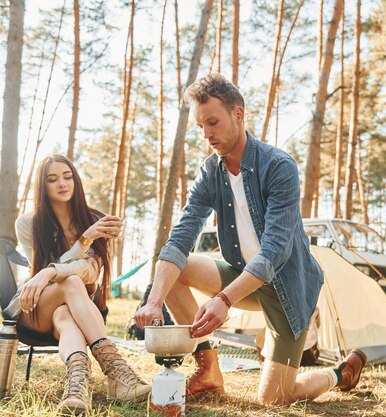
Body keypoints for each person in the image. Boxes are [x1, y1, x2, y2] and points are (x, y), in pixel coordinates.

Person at [134, 74, 367, 405]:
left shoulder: (279, 166)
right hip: (243, 277)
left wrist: (224, 300)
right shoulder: (209, 173)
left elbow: (274, 251)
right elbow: (182, 235)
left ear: (238, 114)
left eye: (213, 122)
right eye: (201, 126)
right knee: (173, 268)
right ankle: (209, 372)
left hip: (289, 290)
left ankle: (338, 374)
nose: (206, 134)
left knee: (275, 398)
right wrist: (155, 300)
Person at [3, 154, 150, 414]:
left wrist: (52, 270)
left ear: (76, 180)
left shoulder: (95, 220)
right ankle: (117, 373)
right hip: (36, 308)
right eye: (53, 179)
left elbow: (91, 272)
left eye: (67, 176)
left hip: (76, 311)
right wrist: (81, 244)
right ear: (43, 186)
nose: (62, 183)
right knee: (69, 282)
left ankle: (77, 387)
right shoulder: (28, 223)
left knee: (65, 312)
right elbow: (50, 275)